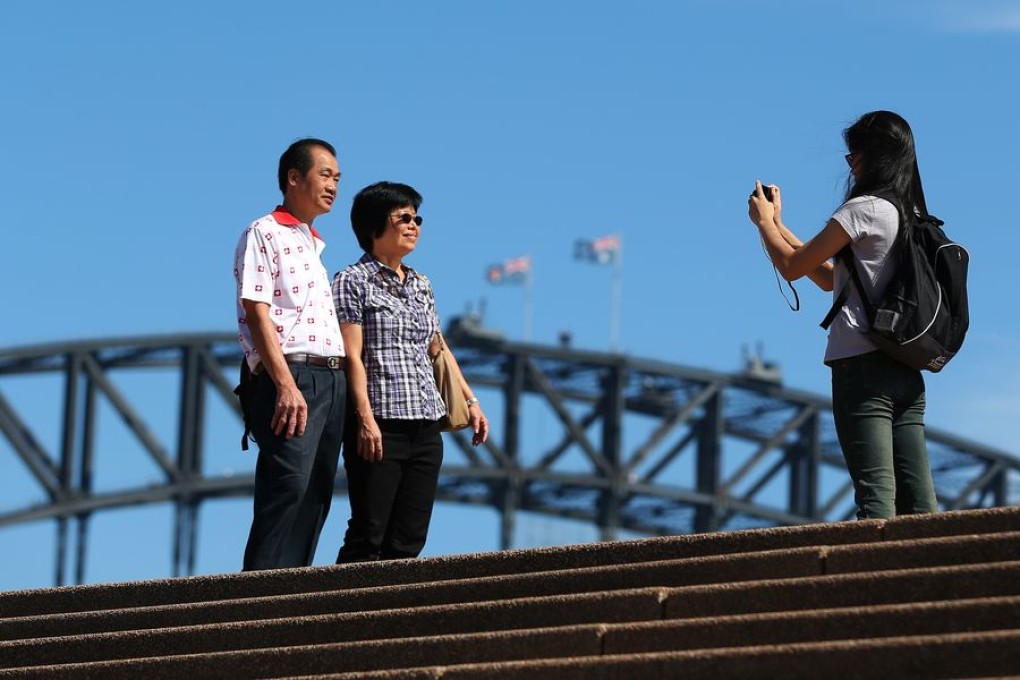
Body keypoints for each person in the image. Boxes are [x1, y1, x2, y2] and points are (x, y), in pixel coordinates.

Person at [748, 110, 938, 519]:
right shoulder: (910, 214)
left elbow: (793, 268)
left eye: (854, 154)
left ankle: (871, 582)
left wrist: (763, 224)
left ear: (874, 155)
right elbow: (830, 278)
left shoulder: (863, 209)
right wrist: (780, 224)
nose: (851, 163)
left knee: (876, 501)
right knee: (920, 506)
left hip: (861, 368)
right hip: (906, 368)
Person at [332, 181, 489, 562]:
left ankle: (389, 618)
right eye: (403, 217)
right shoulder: (351, 281)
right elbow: (352, 356)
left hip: (425, 424)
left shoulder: (422, 285)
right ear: (373, 228)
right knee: (369, 531)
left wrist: (471, 401)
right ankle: (339, 615)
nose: (414, 224)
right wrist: (364, 420)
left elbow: (438, 349)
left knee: (409, 538)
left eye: (417, 217)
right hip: (380, 424)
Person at [234, 138, 347, 570]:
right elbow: (256, 311)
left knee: (316, 494)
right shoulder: (264, 232)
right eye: (325, 175)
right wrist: (283, 383)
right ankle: (257, 600)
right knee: (288, 487)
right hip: (295, 375)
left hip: (330, 379)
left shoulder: (313, 244)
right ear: (293, 178)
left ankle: (293, 594)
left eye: (337, 178)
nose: (333, 185)